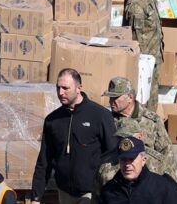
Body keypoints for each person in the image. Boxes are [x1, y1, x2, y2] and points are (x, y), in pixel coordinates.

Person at [31, 68, 117, 204]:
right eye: (58, 88)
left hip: (91, 194)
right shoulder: (52, 120)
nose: (60, 93)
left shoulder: (100, 116)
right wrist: (36, 196)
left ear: (79, 88)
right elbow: (44, 160)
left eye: (65, 88)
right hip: (64, 193)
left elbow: (113, 155)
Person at [103, 76, 177, 179]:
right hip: (115, 178)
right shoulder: (107, 120)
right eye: (110, 97)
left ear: (130, 97)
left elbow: (166, 151)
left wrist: (171, 180)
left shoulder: (151, 120)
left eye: (115, 98)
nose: (111, 101)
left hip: (146, 177)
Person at [122, 0, 164, 112]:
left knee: (151, 97)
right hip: (144, 60)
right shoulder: (136, 6)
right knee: (143, 99)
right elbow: (136, 37)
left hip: (152, 57)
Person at [99, 136, 177, 204]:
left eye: (131, 159)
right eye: (123, 159)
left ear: (143, 160)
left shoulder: (164, 188)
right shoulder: (108, 191)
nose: (127, 165)